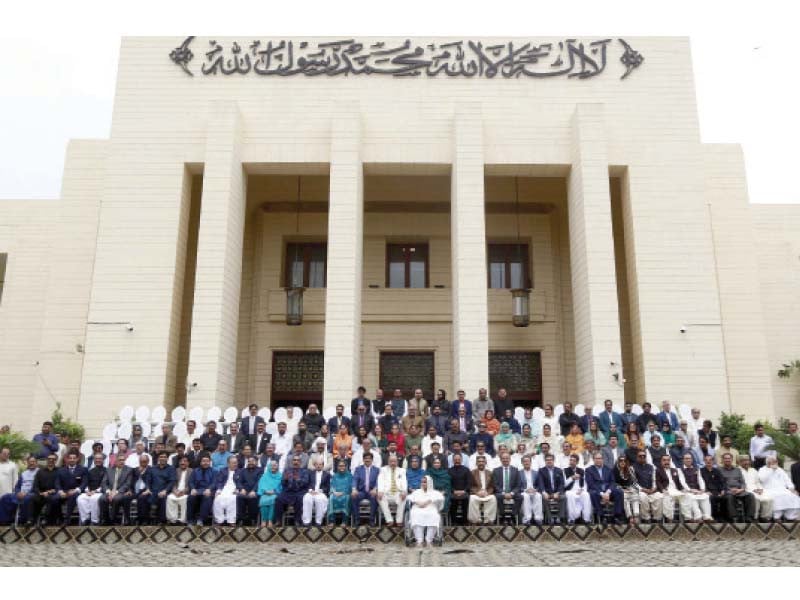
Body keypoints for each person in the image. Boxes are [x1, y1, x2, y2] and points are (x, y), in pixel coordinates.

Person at [585, 452, 624, 524]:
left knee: (619, 492)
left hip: (608, 491)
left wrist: (608, 492)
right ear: (593, 460)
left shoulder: (608, 469)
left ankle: (617, 516)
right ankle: (601, 516)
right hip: (597, 491)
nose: (598, 460)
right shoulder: (589, 470)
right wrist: (602, 494)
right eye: (596, 459)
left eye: (600, 458)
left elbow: (612, 482)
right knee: (592, 493)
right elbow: (591, 484)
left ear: (603, 459)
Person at [758, 457, 800, 521]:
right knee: (777, 497)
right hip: (769, 489)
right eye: (773, 462)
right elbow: (762, 479)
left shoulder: (780, 469)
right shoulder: (762, 469)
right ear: (768, 463)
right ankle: (777, 517)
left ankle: (790, 517)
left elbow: (787, 480)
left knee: (793, 496)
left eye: (775, 461)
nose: (775, 463)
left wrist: (791, 488)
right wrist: (771, 469)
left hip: (782, 489)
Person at [719, 452, 756, 522]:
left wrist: (741, 489)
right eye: (725, 458)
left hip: (739, 491)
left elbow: (742, 482)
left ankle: (749, 517)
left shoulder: (737, 470)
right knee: (730, 497)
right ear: (723, 460)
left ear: (732, 459)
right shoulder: (719, 470)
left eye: (729, 458)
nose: (727, 460)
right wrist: (730, 490)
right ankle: (734, 517)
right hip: (728, 491)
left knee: (751, 496)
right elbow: (720, 483)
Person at [53, 451, 88, 525]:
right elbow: (57, 483)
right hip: (64, 492)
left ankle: (67, 518)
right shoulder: (61, 470)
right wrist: (60, 491)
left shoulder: (83, 469)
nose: (72, 460)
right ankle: (60, 518)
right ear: (67, 459)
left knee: (72, 496)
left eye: (74, 458)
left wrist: (76, 490)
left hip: (76, 492)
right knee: (54, 498)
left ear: (77, 459)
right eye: (70, 458)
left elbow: (84, 483)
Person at [0, 455, 37, 525]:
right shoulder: (23, 473)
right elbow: (17, 486)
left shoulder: (39, 473)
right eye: (30, 462)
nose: (31, 463)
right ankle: (4, 520)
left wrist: (26, 493)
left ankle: (22, 520)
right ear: (27, 463)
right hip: (20, 493)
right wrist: (18, 492)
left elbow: (37, 486)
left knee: (27, 499)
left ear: (36, 463)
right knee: (5, 497)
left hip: (32, 493)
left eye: (33, 461)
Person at [274, 454, 310, 526]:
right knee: (278, 499)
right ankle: (279, 520)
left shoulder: (304, 471)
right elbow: (283, 483)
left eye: (297, 460)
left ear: (300, 462)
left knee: (299, 499)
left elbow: (305, 483)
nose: (296, 462)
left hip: (299, 491)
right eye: (294, 460)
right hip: (288, 492)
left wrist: (298, 479)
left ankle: (297, 520)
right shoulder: (287, 470)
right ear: (292, 462)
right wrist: (286, 480)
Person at [656, 454, 693, 522]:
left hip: (675, 490)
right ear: (661, 461)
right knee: (667, 497)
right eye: (664, 460)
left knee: (686, 496)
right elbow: (658, 482)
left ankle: (687, 518)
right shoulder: (658, 470)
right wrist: (663, 490)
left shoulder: (674, 470)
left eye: (668, 460)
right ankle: (669, 519)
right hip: (667, 490)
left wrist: (682, 489)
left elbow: (679, 482)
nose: (666, 462)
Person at [408, 476, 444, 547]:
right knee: (416, 514)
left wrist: (428, 501)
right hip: (418, 508)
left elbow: (439, 499)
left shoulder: (434, 492)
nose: (423, 484)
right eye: (422, 482)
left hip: (431, 508)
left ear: (429, 483)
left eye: (425, 482)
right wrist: (418, 503)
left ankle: (429, 540)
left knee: (434, 516)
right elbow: (411, 498)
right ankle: (419, 540)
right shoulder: (417, 491)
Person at [738, 455, 773, 522]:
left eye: (748, 460)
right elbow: (740, 484)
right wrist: (753, 490)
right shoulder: (738, 470)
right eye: (744, 461)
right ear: (740, 462)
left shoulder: (753, 470)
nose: (746, 462)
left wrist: (760, 489)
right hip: (746, 490)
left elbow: (758, 482)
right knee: (755, 498)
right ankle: (755, 517)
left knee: (769, 499)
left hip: (757, 489)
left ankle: (765, 517)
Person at [632, 449, 663, 523]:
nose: (642, 457)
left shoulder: (651, 467)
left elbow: (654, 479)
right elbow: (633, 482)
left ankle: (657, 518)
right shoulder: (632, 467)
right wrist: (642, 489)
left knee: (659, 496)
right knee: (643, 497)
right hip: (639, 491)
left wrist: (654, 489)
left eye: (644, 456)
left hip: (651, 490)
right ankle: (646, 518)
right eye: (640, 456)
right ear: (637, 457)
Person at [700, 454, 734, 521]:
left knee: (726, 497)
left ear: (713, 461)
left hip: (718, 491)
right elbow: (700, 483)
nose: (708, 462)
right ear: (704, 461)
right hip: (708, 491)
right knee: (712, 498)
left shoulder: (717, 471)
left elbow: (723, 482)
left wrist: (723, 490)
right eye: (706, 460)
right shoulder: (701, 471)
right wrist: (705, 491)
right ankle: (714, 517)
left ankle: (725, 517)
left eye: (710, 460)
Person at [76, 453, 107, 525]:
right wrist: (87, 491)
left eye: (100, 459)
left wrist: (95, 491)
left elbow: (105, 483)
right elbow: (86, 482)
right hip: (89, 492)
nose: (98, 460)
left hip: (100, 492)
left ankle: (95, 520)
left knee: (94, 498)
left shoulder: (106, 470)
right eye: (96, 459)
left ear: (103, 460)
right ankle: (85, 519)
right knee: (80, 498)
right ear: (94, 460)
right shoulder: (90, 471)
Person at [377, 454, 407, 526]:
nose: (393, 463)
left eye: (394, 461)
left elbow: (404, 481)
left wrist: (404, 491)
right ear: (388, 462)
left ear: (397, 462)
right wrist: (380, 491)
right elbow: (380, 480)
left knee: (404, 497)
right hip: (387, 492)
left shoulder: (402, 470)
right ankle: (389, 520)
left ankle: (399, 520)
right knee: (379, 497)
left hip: (397, 492)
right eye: (391, 461)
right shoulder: (383, 469)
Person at [351, 452, 379, 525]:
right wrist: (354, 489)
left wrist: (375, 488)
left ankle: (372, 519)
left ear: (372, 460)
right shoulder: (358, 469)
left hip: (371, 491)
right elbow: (355, 479)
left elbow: (379, 481)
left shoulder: (376, 470)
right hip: (361, 491)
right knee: (354, 497)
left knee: (375, 497)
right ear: (363, 460)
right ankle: (357, 519)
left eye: (369, 458)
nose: (367, 460)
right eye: (365, 458)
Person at [536, 454, 566, 524]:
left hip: (556, 492)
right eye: (547, 460)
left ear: (553, 461)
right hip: (546, 493)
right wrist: (543, 492)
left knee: (563, 497)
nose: (549, 461)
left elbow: (562, 483)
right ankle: (550, 518)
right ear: (545, 461)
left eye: (550, 460)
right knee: (543, 498)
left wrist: (558, 492)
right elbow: (540, 483)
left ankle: (559, 517)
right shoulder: (541, 471)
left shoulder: (559, 470)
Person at [212, 455, 241, 525]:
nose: (235, 464)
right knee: (218, 498)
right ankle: (219, 520)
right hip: (223, 488)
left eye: (236, 462)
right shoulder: (222, 470)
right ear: (228, 464)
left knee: (233, 498)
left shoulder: (240, 471)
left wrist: (238, 489)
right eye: (233, 463)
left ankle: (231, 520)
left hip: (234, 488)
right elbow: (219, 481)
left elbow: (241, 482)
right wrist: (218, 489)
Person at [187, 455, 215, 526]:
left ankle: (201, 520)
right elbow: (191, 482)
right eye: (203, 461)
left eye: (207, 461)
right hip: (197, 490)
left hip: (208, 491)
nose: (205, 463)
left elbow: (214, 482)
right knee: (191, 497)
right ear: (200, 462)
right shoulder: (195, 471)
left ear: (210, 462)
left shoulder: (214, 471)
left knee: (207, 497)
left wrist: (209, 489)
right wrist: (193, 488)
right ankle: (190, 520)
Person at [563, 454, 591, 524]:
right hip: (570, 491)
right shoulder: (565, 470)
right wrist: (571, 478)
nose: (571, 462)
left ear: (577, 462)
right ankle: (571, 519)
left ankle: (586, 519)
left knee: (586, 495)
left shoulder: (581, 470)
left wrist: (582, 490)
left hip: (579, 490)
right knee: (570, 495)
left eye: (574, 461)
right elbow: (564, 484)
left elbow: (585, 483)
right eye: (571, 460)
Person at [468, 455, 496, 524]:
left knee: (493, 498)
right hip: (477, 493)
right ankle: (476, 520)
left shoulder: (490, 473)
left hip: (487, 493)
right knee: (472, 498)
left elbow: (492, 486)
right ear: (476, 463)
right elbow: (470, 485)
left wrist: (487, 492)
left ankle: (488, 520)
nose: (481, 463)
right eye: (479, 461)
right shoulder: (472, 473)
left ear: (485, 463)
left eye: (482, 461)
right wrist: (477, 492)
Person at [517, 455, 544, 525]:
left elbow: (540, 485)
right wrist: (525, 490)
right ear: (522, 463)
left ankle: (538, 518)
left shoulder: (536, 473)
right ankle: (527, 519)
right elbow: (517, 486)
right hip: (524, 491)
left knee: (538, 496)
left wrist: (535, 490)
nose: (526, 463)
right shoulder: (519, 473)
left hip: (534, 491)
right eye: (524, 461)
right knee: (526, 496)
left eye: (528, 461)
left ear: (530, 462)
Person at [165, 455, 192, 524]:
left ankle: (182, 520)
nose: (182, 463)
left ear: (188, 463)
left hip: (185, 492)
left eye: (185, 461)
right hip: (176, 491)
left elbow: (191, 484)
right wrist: (175, 491)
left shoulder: (192, 471)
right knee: (169, 498)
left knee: (184, 499)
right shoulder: (175, 470)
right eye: (181, 461)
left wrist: (184, 491)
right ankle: (172, 520)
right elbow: (172, 482)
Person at [326, 459, 352, 525]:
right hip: (335, 493)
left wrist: (343, 492)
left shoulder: (349, 475)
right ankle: (332, 521)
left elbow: (350, 486)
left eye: (343, 466)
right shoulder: (335, 475)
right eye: (340, 466)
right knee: (331, 498)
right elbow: (332, 485)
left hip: (345, 493)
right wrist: (334, 492)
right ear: (337, 467)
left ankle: (344, 521)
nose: (341, 467)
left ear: (346, 466)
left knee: (346, 498)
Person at [256, 460, 282, 527]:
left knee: (273, 499)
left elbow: (282, 486)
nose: (273, 467)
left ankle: (270, 520)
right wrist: (265, 491)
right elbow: (261, 485)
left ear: (277, 467)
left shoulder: (280, 476)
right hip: (265, 493)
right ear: (269, 467)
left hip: (275, 494)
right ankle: (264, 520)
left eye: (275, 465)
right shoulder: (264, 476)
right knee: (263, 499)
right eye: (271, 465)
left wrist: (274, 491)